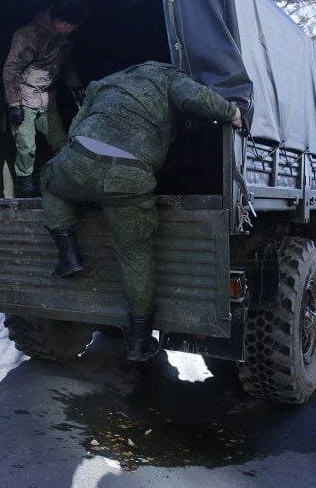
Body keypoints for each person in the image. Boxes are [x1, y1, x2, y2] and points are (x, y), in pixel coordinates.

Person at [40, 61, 243, 361]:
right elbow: (196, 99)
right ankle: (138, 342)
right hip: (128, 175)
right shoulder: (169, 77)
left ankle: (69, 255)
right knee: (135, 256)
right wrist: (233, 113)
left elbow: (76, 128)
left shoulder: (103, 82)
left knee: (49, 179)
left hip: (77, 161)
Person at [2, 0, 88, 197]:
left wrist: (76, 86)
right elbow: (11, 68)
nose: (69, 29)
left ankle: (69, 183)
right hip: (23, 97)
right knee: (26, 145)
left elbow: (66, 65)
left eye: (72, 26)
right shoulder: (28, 35)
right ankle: (25, 183)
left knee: (62, 143)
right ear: (57, 19)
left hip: (47, 98)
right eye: (66, 25)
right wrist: (14, 103)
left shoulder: (65, 40)